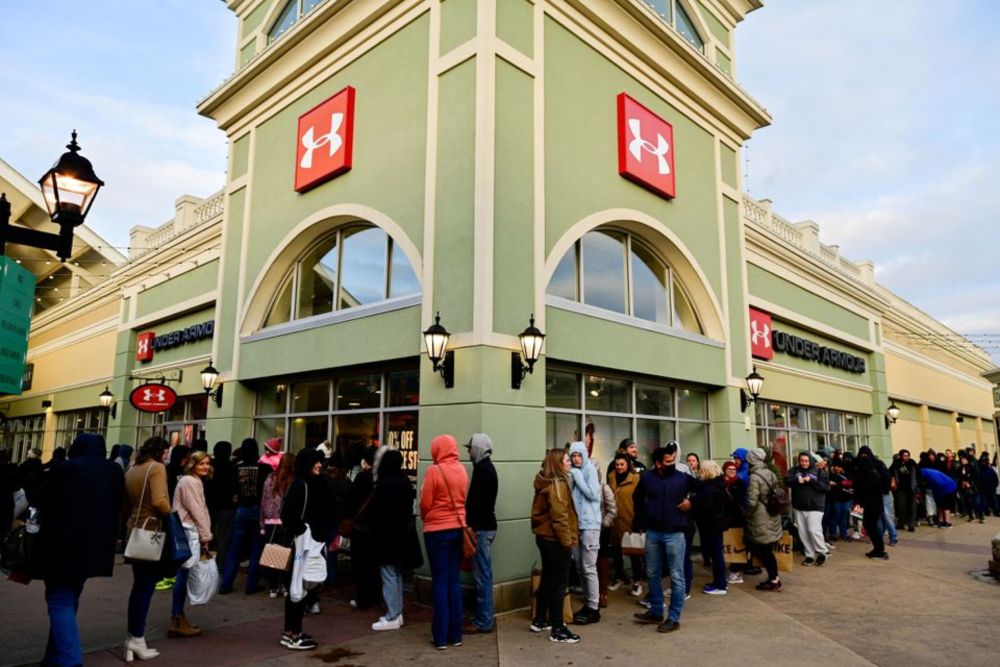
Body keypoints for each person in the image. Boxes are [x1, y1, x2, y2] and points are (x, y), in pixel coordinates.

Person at [27, 433, 124, 667]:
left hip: (60, 544)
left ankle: (71, 660)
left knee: (59, 599)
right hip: (94, 545)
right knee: (70, 597)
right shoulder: (113, 471)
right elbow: (119, 504)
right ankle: (53, 657)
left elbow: (39, 497)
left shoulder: (66, 469)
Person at [631, 442, 696, 633]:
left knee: (677, 576)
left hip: (675, 533)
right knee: (652, 572)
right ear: (658, 463)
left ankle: (674, 618)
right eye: (668, 461)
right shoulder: (648, 478)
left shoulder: (682, 476)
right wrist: (643, 518)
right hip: (653, 532)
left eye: (673, 460)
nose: (672, 463)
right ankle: (656, 610)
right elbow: (637, 498)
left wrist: (691, 502)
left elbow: (707, 489)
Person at [123, 437, 173, 662]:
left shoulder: (134, 469)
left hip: (134, 530)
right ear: (161, 451)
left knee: (139, 586)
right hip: (151, 531)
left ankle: (134, 637)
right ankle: (137, 638)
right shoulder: (157, 468)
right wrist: (172, 518)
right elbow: (160, 501)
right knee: (145, 587)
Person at [279, 449, 334, 650]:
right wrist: (303, 530)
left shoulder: (313, 483)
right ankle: (293, 634)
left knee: (302, 586)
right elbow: (288, 515)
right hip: (302, 545)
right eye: (315, 462)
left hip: (311, 543)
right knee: (297, 587)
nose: (319, 465)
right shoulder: (300, 484)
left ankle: (293, 631)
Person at [420, 434, 469, 648]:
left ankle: (439, 637)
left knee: (439, 582)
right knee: (453, 581)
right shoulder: (462, 470)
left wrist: (428, 519)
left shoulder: (434, 471)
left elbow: (425, 503)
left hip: (436, 531)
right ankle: (455, 634)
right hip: (458, 529)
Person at [530, 448, 580, 644]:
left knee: (548, 579)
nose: (570, 462)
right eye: (567, 460)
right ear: (558, 463)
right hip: (556, 541)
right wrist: (568, 544)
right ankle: (558, 628)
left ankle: (540, 619)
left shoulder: (546, 482)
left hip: (545, 539)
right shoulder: (558, 485)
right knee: (559, 583)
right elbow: (560, 518)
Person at [169, 450, 213, 638]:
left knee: (184, 573)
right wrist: (206, 535)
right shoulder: (190, 482)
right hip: (188, 531)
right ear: (192, 464)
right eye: (201, 463)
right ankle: (177, 618)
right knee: (183, 573)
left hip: (189, 530)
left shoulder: (193, 481)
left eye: (208, 463)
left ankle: (179, 617)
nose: (205, 466)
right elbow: (197, 510)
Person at [220, 438, 272, 595]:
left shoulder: (235, 468)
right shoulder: (264, 469)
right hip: (258, 510)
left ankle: (226, 584)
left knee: (234, 547)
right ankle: (251, 584)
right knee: (256, 547)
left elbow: (230, 489)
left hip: (241, 509)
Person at [371, 448, 415, 633]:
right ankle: (398, 612)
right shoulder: (404, 481)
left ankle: (392, 614)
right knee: (396, 573)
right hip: (401, 534)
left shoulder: (383, 484)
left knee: (388, 574)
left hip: (385, 535)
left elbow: (378, 512)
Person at [464, 433, 498, 634]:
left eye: (470, 448)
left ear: (478, 449)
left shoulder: (483, 470)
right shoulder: (485, 468)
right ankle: (484, 618)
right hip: (485, 527)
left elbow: (479, 504)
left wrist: (471, 526)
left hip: (482, 529)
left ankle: (484, 620)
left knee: (482, 575)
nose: (468, 452)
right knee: (483, 574)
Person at [567, 441, 601, 625]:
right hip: (576, 526)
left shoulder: (588, 471)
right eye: (573, 456)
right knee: (580, 566)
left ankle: (594, 608)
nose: (576, 459)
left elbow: (593, 494)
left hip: (590, 526)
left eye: (579, 455)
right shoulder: (573, 472)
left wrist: (578, 476)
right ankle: (588, 603)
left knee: (589, 567)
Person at [746, 447, 783, 591]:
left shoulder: (754, 477)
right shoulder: (770, 473)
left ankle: (774, 580)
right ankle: (774, 578)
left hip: (760, 517)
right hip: (772, 514)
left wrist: (747, 514)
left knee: (765, 550)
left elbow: (752, 501)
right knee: (767, 549)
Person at [348, 446, 380, 610]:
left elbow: (352, 501)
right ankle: (375, 595)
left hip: (360, 527)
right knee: (373, 563)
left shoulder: (361, 477)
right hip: (376, 527)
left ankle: (363, 598)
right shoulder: (380, 478)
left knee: (360, 565)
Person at [260, 452, 296, 597]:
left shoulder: (270, 479)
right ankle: (286, 586)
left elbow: (264, 501)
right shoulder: (293, 481)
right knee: (288, 555)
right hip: (286, 522)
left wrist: (262, 522)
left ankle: (273, 587)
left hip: (270, 521)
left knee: (273, 555)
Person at [785, 452, 830, 566]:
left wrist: (811, 481)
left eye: (806, 461)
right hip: (799, 506)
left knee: (814, 530)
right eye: (802, 461)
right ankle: (809, 555)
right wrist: (796, 481)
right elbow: (786, 481)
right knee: (803, 532)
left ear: (810, 461)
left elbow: (825, 487)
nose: (804, 463)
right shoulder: (794, 470)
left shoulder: (820, 472)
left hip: (815, 506)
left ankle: (822, 552)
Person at [692, 460, 728, 594]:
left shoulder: (710, 489)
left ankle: (720, 585)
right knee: (717, 553)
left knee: (716, 554)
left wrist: (694, 505)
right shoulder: (719, 484)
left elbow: (706, 509)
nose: (699, 473)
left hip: (711, 524)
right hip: (716, 523)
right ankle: (720, 581)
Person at [608, 451, 642, 593]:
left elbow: (641, 501)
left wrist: (639, 521)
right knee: (616, 552)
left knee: (634, 552)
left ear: (628, 464)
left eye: (622, 464)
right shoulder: (611, 477)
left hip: (631, 519)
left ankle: (637, 581)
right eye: (617, 465)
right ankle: (620, 578)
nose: (619, 467)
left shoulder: (636, 479)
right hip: (615, 521)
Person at [206, 441, 237, 572]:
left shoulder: (209, 465)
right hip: (226, 505)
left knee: (209, 533)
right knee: (224, 536)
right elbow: (235, 485)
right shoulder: (232, 466)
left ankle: (206, 561)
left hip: (210, 504)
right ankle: (221, 564)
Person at [855, 446, 888, 559]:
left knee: (871, 526)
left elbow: (867, 490)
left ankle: (879, 549)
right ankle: (878, 549)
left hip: (872, 505)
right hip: (873, 504)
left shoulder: (870, 473)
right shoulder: (869, 471)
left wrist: (860, 502)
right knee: (870, 526)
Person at [720, 461, 748, 584]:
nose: (731, 471)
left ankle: (738, 570)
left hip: (738, 517)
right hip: (725, 518)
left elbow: (742, 499)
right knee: (728, 542)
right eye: (729, 469)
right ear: (724, 470)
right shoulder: (721, 483)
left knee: (737, 543)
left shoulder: (739, 483)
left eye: (733, 469)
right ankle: (733, 567)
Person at [890, 449, 919, 531]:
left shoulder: (912, 463)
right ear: (901, 456)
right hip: (900, 489)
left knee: (912, 507)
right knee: (901, 507)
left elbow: (918, 475)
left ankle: (911, 525)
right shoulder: (896, 463)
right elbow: (890, 472)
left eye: (907, 455)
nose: (906, 457)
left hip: (911, 489)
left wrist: (917, 488)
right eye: (904, 455)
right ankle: (901, 523)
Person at [827, 457, 854, 541]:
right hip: (836, 500)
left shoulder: (846, 475)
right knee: (835, 517)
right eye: (836, 466)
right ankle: (833, 535)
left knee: (844, 517)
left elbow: (851, 484)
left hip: (846, 500)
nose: (838, 468)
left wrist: (840, 484)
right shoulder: (830, 475)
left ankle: (844, 534)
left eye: (840, 467)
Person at [958, 452, 984, 523]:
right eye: (961, 459)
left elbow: (976, 477)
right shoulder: (960, 468)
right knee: (967, 503)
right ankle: (971, 517)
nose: (962, 461)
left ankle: (981, 516)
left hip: (974, 488)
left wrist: (970, 483)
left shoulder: (972, 467)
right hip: (964, 488)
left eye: (964, 459)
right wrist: (962, 482)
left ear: (967, 460)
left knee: (976, 503)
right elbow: (959, 478)